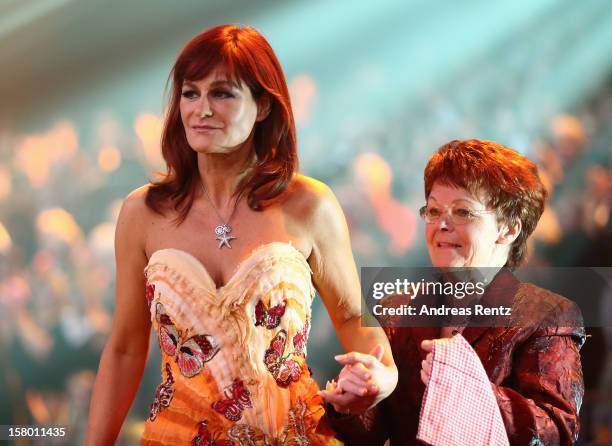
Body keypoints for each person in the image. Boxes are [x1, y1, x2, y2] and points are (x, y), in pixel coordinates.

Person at [85, 24, 397, 445]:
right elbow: (124, 348)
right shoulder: (142, 212)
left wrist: (383, 375)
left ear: (264, 105)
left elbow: (350, 315)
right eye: (190, 93)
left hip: (295, 433)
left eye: (223, 93)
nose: (201, 109)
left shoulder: (310, 204)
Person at [322, 139, 586, 445]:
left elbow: (557, 429)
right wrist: (353, 404)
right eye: (433, 211)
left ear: (509, 229)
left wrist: (467, 387)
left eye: (462, 212)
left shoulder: (547, 315)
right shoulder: (398, 308)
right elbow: (374, 433)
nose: (441, 224)